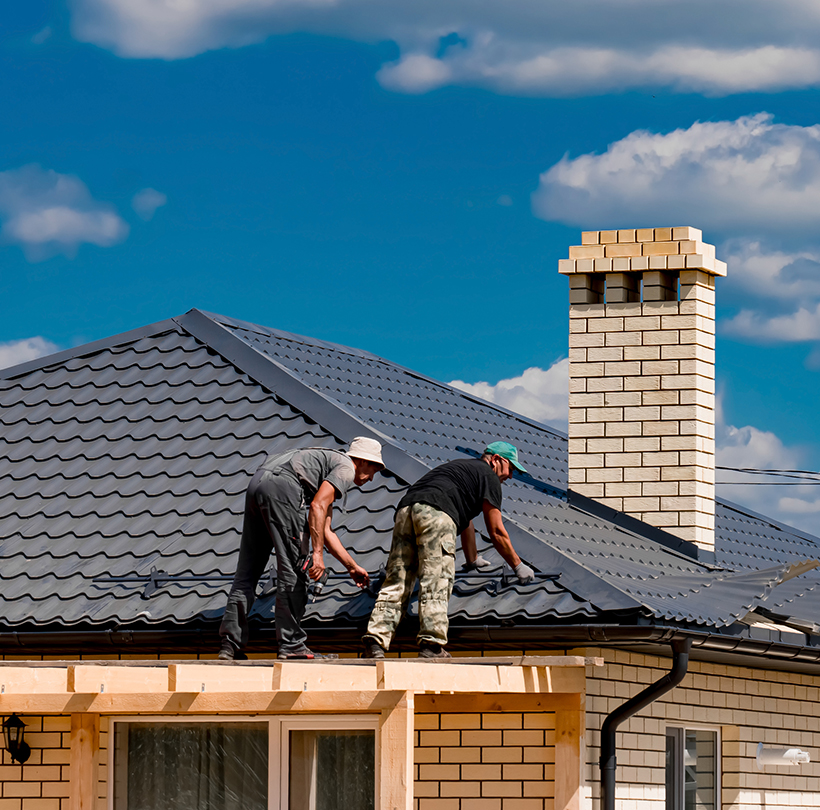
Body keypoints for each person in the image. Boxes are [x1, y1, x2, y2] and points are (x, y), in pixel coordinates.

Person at [362, 441, 535, 659]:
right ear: (497, 460)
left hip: (406, 509)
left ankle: (375, 641)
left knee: (398, 578)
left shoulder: (460, 469)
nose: (510, 476)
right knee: (436, 577)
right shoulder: (488, 476)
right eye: (511, 469)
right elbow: (496, 530)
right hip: (436, 514)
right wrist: (518, 565)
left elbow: (465, 520)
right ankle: (431, 644)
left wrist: (472, 560)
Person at [219, 437, 384, 660]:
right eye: (373, 469)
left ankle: (230, 645)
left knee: (247, 573)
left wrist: (352, 566)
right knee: (295, 570)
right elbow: (317, 505)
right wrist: (317, 556)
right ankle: (292, 645)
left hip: (258, 483)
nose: (372, 478)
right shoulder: (346, 467)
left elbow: (325, 529)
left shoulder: (326, 463)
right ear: (362, 461)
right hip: (283, 487)